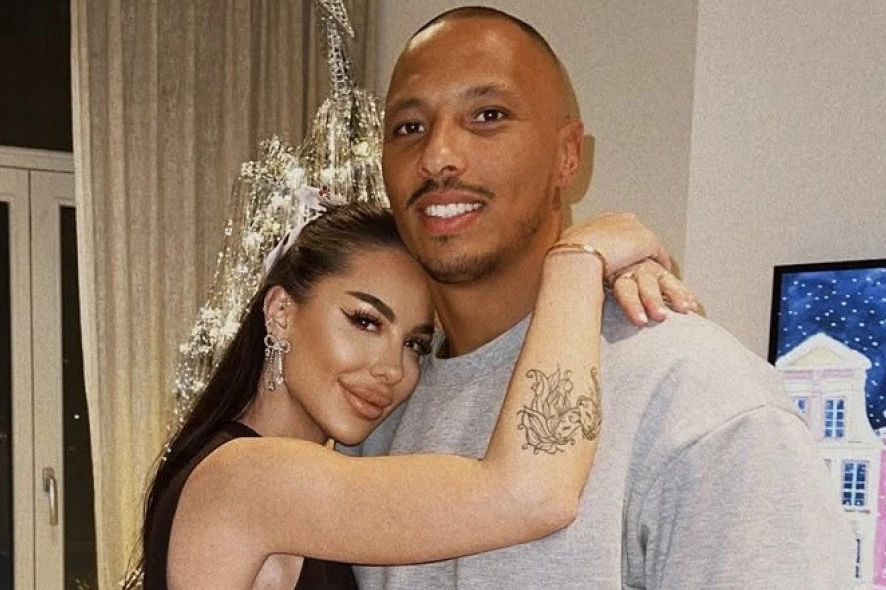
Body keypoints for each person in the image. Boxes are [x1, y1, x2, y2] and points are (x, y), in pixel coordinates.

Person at [355, 6, 853, 590]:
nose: (438, 155)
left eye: (488, 115)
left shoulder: (693, 393)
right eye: (408, 127)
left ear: (569, 155)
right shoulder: (378, 400)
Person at [131, 200, 691, 589]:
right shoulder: (247, 478)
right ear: (280, 311)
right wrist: (577, 263)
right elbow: (534, 494)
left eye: (415, 345)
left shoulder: (263, 470)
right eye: (365, 321)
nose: (391, 369)